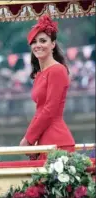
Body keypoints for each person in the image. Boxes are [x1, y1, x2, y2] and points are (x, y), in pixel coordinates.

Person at [19, 15, 75, 159]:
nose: (38, 45)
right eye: (34, 42)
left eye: (43, 41)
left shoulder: (57, 70)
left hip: (57, 141)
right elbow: (40, 111)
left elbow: (50, 109)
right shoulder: (40, 74)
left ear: (53, 44)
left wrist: (28, 139)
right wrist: (32, 140)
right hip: (43, 140)